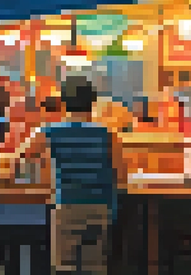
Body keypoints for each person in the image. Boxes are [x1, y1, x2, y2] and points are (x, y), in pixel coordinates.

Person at [12, 76, 122, 275]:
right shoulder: (108, 134)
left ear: (63, 103)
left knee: (64, 268)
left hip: (68, 206)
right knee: (94, 268)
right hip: (100, 208)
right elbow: (120, 175)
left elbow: (19, 159)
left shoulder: (49, 132)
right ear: (93, 103)